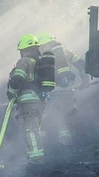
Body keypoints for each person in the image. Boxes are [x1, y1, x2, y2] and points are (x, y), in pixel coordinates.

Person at [36, 32, 89, 150]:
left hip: (53, 92)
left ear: (45, 45)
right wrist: (85, 82)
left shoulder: (46, 54)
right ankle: (71, 143)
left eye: (42, 46)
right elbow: (82, 65)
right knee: (67, 116)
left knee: (53, 117)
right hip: (68, 92)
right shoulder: (66, 52)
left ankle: (58, 144)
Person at [7, 34, 51, 165]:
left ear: (24, 49)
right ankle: (32, 156)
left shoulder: (24, 61)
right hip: (39, 102)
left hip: (28, 102)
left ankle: (36, 160)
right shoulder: (39, 62)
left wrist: (11, 93)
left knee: (30, 130)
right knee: (33, 129)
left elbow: (16, 80)